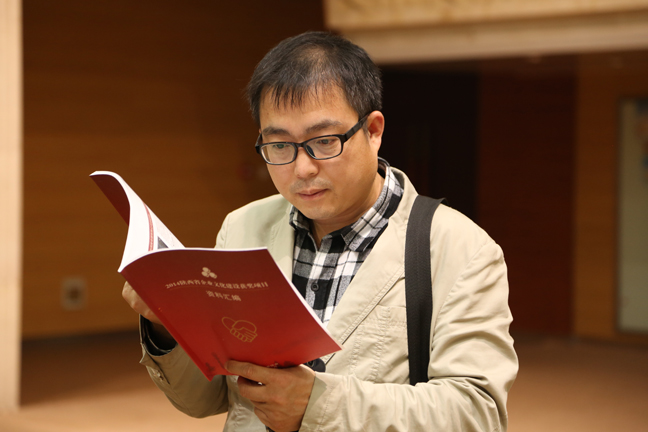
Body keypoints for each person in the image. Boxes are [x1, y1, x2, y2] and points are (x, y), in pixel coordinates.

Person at [123, 31, 518, 432]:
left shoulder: (459, 248)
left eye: (324, 141)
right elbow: (208, 399)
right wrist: (166, 325)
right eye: (280, 146)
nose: (303, 169)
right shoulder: (243, 227)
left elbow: (477, 414)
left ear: (373, 130)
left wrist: (318, 404)